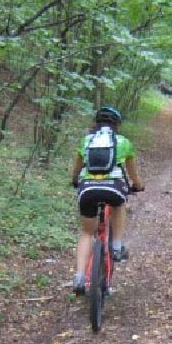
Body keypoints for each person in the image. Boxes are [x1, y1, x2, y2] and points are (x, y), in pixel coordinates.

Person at [71, 106, 144, 294]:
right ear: (116, 124)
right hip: (113, 188)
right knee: (119, 204)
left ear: (96, 123)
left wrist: (74, 181)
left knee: (87, 232)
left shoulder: (86, 141)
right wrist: (138, 185)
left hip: (87, 189)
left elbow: (76, 170)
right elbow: (133, 174)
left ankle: (79, 278)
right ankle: (117, 246)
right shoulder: (123, 142)